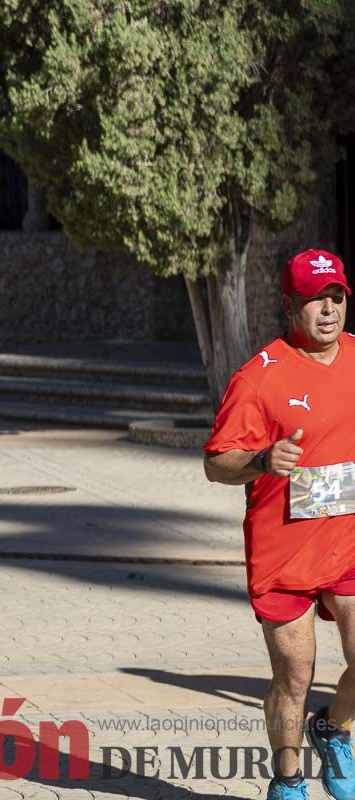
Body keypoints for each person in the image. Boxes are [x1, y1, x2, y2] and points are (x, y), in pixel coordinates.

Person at [204, 249, 355, 800]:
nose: (329, 309)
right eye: (316, 299)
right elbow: (215, 462)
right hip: (284, 549)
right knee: (294, 675)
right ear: (290, 305)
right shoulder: (259, 378)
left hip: (348, 540)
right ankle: (287, 779)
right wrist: (263, 461)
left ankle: (333, 729)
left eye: (336, 296)